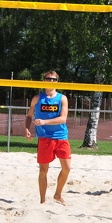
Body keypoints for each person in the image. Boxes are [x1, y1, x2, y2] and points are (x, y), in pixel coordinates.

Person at [25, 70, 71, 205]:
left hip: (60, 136)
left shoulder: (62, 98)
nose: (51, 81)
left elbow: (63, 119)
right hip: (45, 138)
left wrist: (44, 122)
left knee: (67, 168)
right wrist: (27, 128)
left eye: (54, 79)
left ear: (57, 81)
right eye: (48, 79)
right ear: (44, 80)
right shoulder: (37, 98)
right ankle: (42, 201)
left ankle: (57, 194)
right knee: (43, 170)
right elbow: (29, 116)